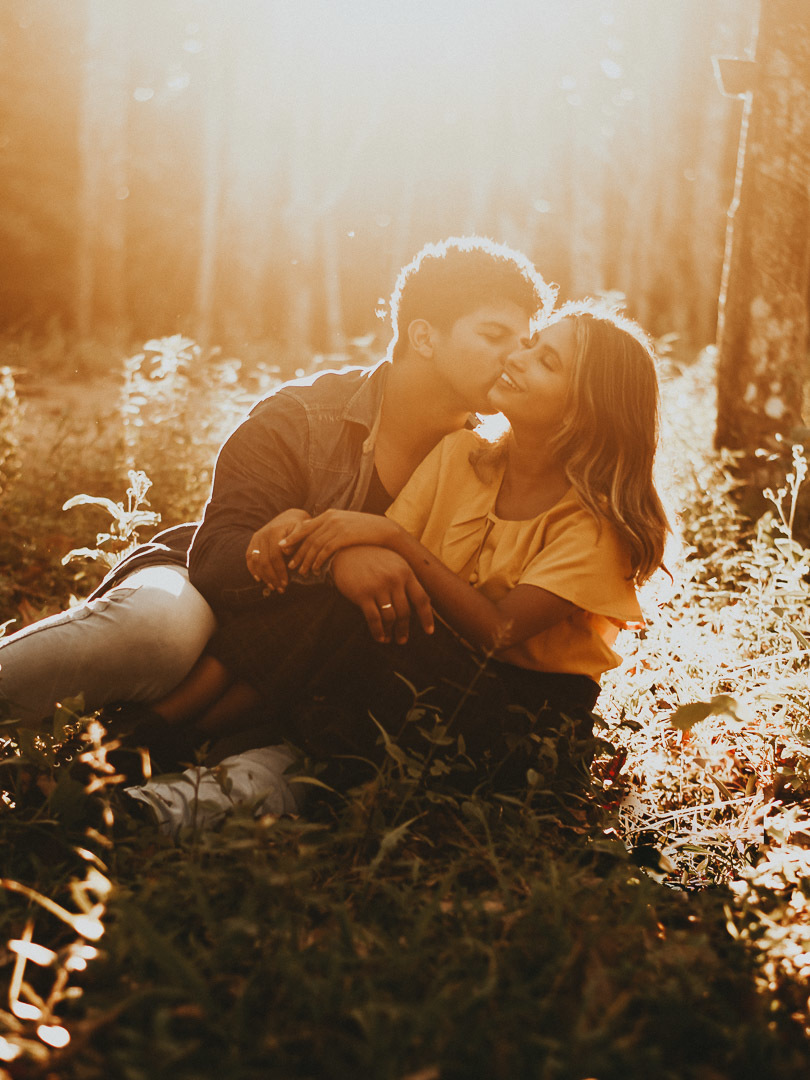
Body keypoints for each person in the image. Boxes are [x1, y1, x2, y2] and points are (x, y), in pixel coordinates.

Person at [130, 302, 669, 826]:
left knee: (350, 633)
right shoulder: (461, 455)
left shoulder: (598, 526)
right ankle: (156, 732)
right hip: (426, 661)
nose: (518, 358)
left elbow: (500, 631)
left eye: (546, 362)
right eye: (531, 346)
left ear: (585, 410)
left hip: (519, 719)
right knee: (339, 600)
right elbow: (379, 556)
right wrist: (315, 530)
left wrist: (392, 539)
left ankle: (165, 734)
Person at [0, 237, 551, 727]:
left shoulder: (491, 461)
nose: (514, 358)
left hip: (304, 662)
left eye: (525, 343)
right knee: (161, 632)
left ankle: (126, 760)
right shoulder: (303, 416)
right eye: (495, 334)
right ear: (425, 337)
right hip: (204, 592)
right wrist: (335, 561)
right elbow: (214, 557)